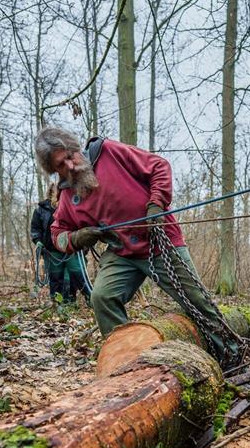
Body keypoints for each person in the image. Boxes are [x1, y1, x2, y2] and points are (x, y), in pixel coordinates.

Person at [33, 126, 239, 366]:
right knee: (102, 297)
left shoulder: (108, 151)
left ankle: (231, 354)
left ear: (76, 148)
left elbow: (159, 166)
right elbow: (57, 234)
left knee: (196, 300)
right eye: (60, 165)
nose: (69, 165)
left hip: (160, 241)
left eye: (70, 156)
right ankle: (125, 362)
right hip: (120, 253)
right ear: (53, 170)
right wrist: (77, 238)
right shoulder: (67, 194)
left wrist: (156, 204)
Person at [30, 182, 92, 304]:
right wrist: (38, 242)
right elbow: (35, 229)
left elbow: (82, 225)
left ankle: (90, 300)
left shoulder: (72, 206)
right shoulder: (40, 210)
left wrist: (84, 245)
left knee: (78, 275)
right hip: (52, 251)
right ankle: (57, 303)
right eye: (56, 192)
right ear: (51, 193)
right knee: (55, 277)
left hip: (71, 249)